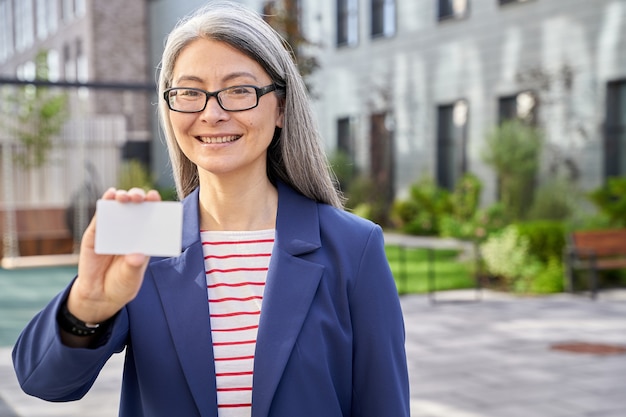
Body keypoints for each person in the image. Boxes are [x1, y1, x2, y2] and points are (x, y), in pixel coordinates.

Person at [12, 1, 410, 416]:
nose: (212, 113)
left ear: (281, 108)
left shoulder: (353, 246)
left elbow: (384, 404)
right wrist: (87, 308)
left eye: (239, 90)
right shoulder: (144, 236)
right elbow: (44, 382)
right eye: (189, 92)